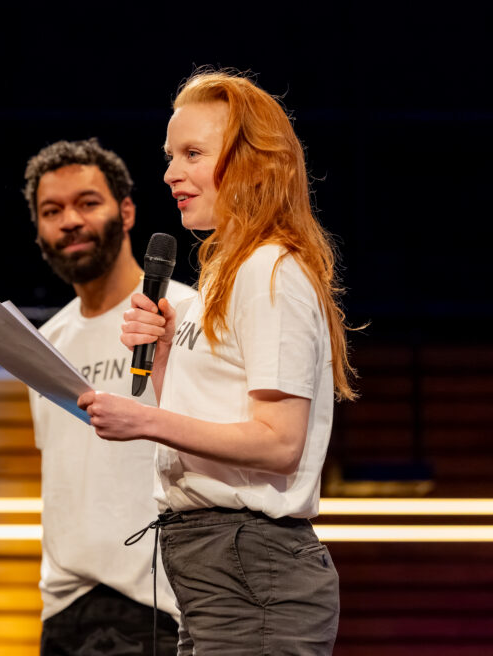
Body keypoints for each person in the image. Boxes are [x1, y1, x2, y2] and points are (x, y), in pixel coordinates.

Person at [78, 70, 353, 654]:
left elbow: (279, 443)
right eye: (170, 155)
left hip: (250, 567)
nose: (170, 172)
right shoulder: (223, 280)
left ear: (253, 163)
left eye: (193, 153)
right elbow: (221, 414)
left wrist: (143, 421)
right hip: (217, 568)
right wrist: (168, 357)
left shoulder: (268, 270)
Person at [23, 138, 195, 656]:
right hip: (63, 609)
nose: (69, 220)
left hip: (158, 605)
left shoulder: (184, 314)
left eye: (87, 202)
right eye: (51, 211)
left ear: (126, 210)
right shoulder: (45, 341)